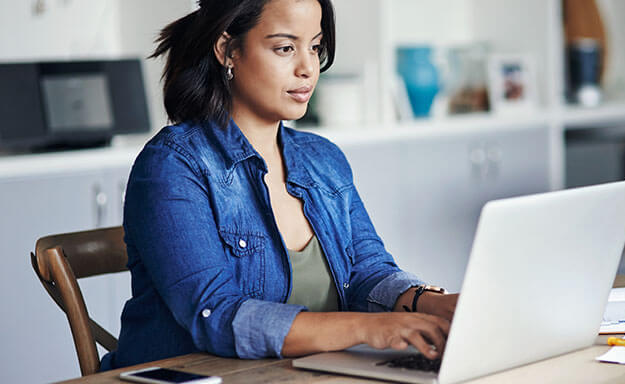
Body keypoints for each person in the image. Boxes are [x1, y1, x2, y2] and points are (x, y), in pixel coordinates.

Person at [100, 0, 458, 371]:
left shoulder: (323, 159)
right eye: (285, 48)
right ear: (228, 50)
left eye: (315, 47)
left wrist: (430, 303)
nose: (307, 68)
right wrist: (370, 328)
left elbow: (366, 273)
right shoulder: (174, 164)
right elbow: (217, 315)